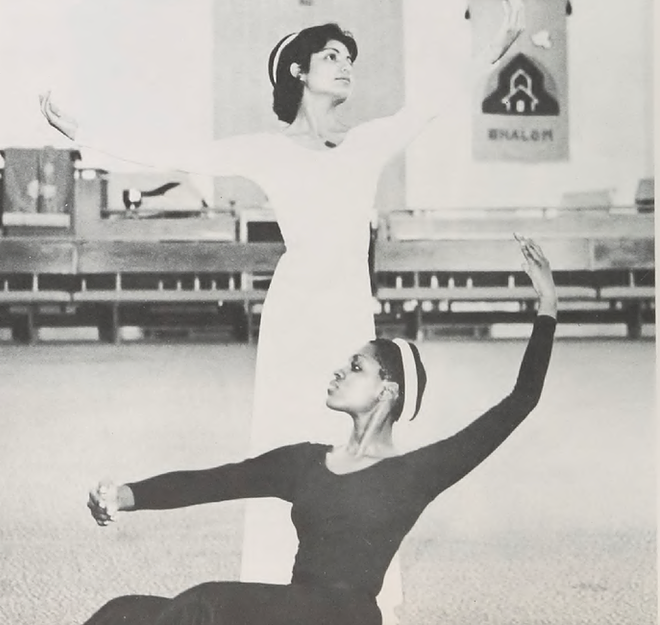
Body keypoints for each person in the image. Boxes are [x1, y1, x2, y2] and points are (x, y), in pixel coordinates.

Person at [40, 3, 526, 620]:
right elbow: (183, 150)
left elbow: (427, 107)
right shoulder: (269, 151)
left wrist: (486, 57)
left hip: (349, 310)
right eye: (331, 56)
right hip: (295, 315)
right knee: (283, 455)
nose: (345, 66)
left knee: (363, 446)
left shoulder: (368, 142)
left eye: (349, 58)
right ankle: (275, 595)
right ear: (298, 71)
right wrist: (85, 132)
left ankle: (363, 597)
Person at [82, 234, 557, 625]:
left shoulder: (416, 473)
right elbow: (218, 479)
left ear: (387, 390)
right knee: (123, 613)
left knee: (206, 604)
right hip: (294, 611)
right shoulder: (305, 461)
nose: (337, 373)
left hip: (346, 616)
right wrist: (127, 495)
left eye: (356, 366)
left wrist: (548, 305)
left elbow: (521, 401)